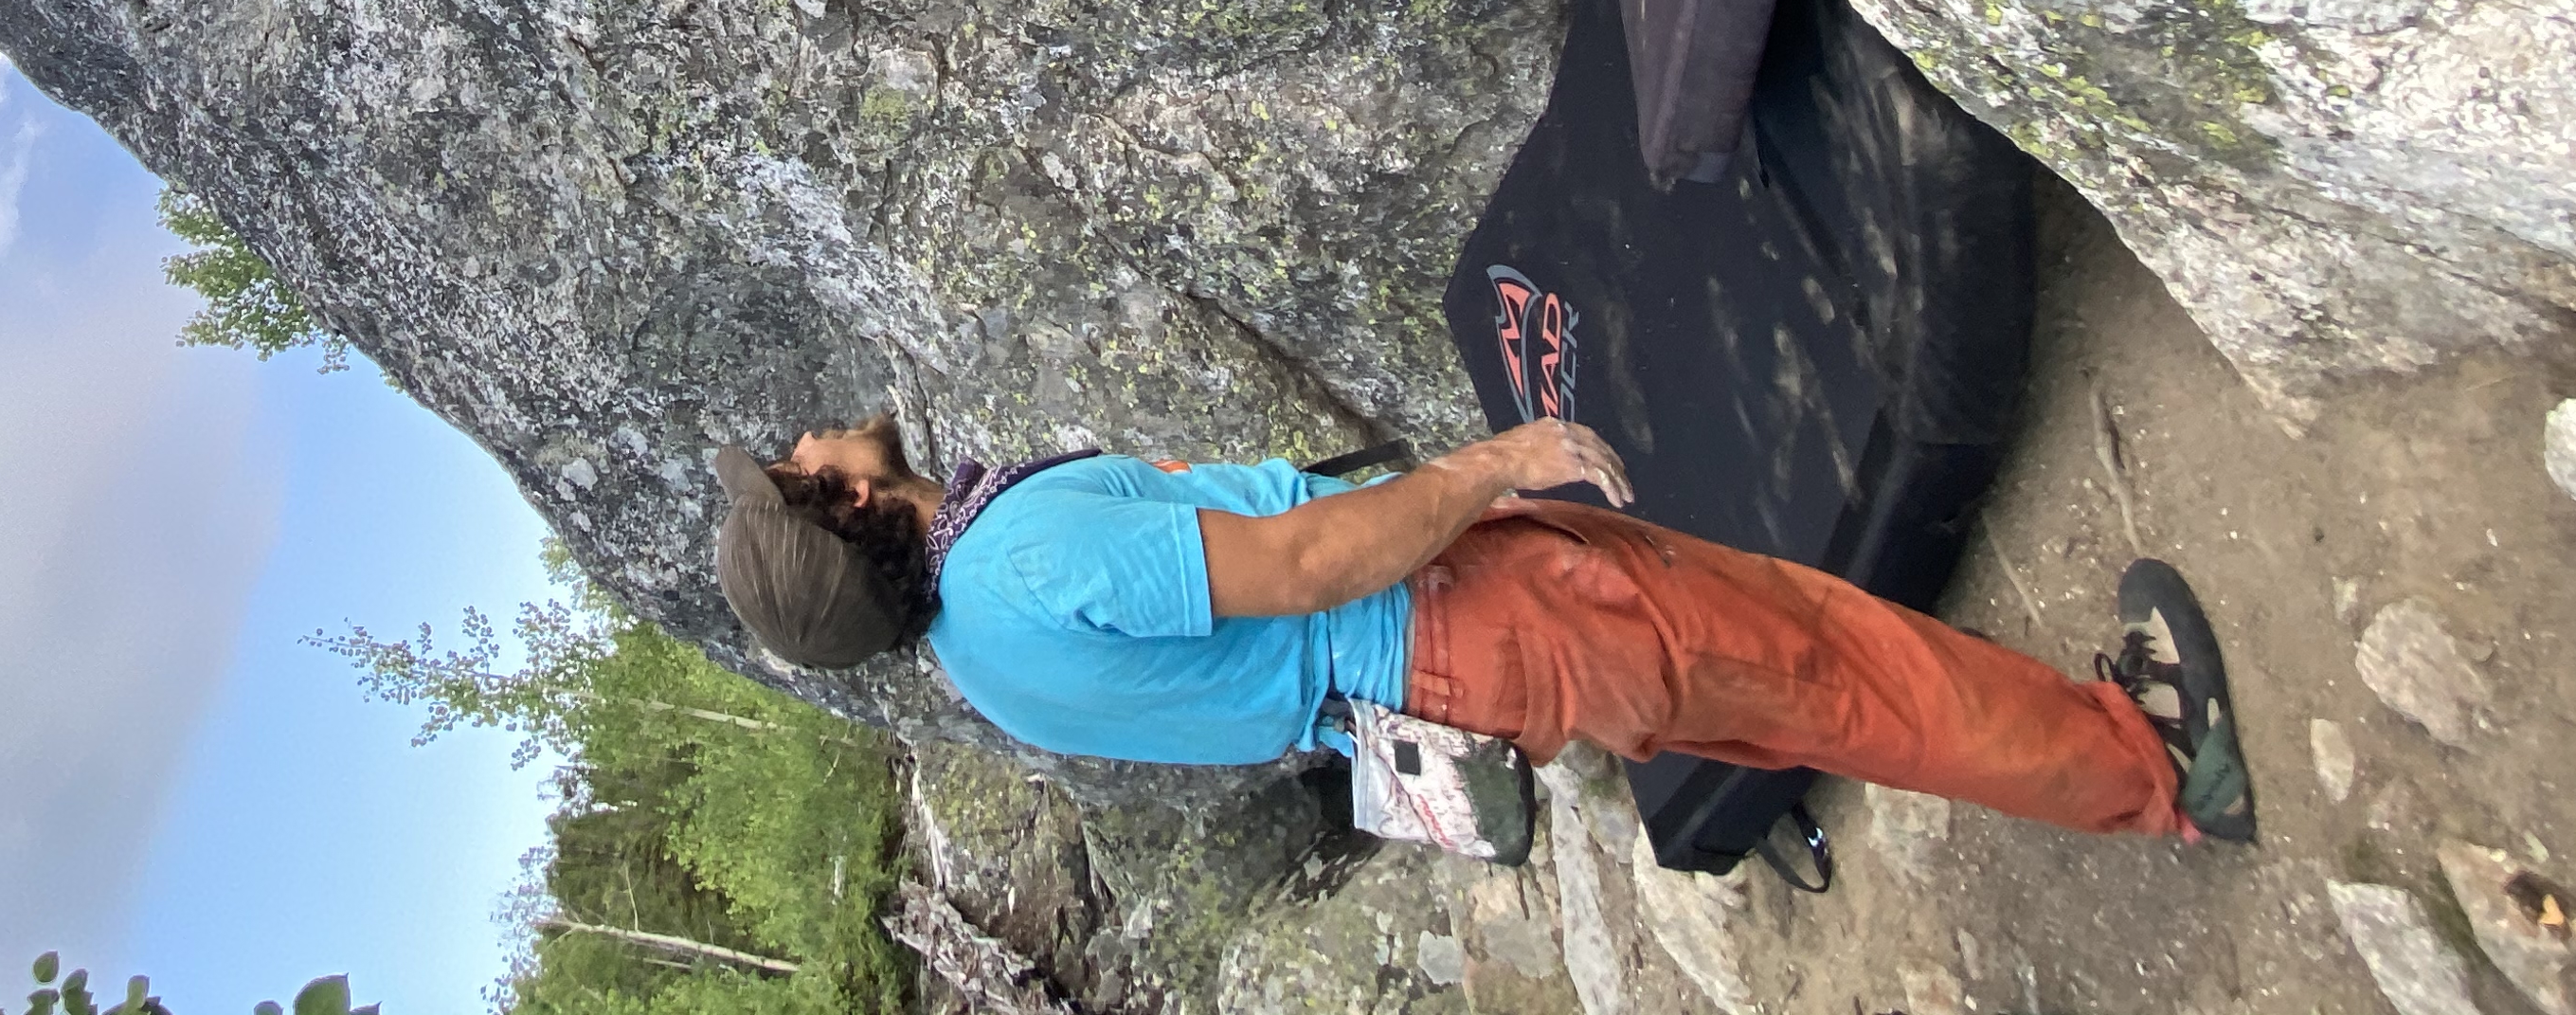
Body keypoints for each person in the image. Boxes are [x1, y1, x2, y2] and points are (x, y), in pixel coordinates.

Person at [708, 412, 2252, 846]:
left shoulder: (983, 661)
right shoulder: (1021, 553)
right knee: (1818, 658)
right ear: (844, 502)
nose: (807, 433)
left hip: (1445, 693)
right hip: (1464, 615)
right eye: (796, 464)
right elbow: (1309, 557)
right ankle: (2149, 758)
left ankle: (2111, 764)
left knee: (1787, 708)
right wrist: (1486, 466)